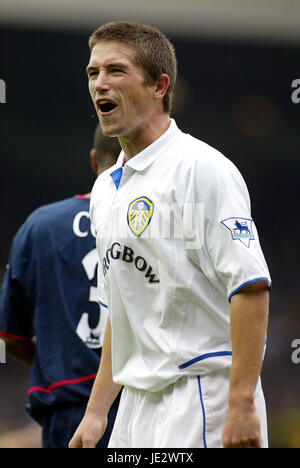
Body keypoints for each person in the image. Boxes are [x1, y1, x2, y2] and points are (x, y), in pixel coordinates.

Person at [69, 21, 271, 449]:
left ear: (159, 85)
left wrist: (240, 402)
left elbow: (250, 287)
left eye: (116, 71)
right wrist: (96, 411)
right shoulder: (105, 189)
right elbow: (120, 312)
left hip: (201, 393)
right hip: (136, 405)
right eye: (93, 73)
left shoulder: (201, 169)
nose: (100, 84)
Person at [0, 125, 121, 448]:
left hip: (70, 410)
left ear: (95, 161)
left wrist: (57, 356)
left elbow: (9, 337)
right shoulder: (158, 223)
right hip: (147, 404)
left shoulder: (40, 226)